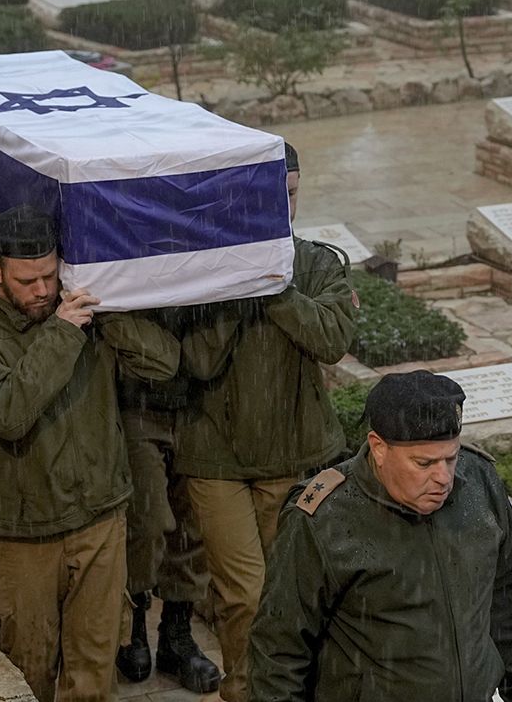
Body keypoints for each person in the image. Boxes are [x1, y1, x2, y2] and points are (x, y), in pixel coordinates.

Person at [0, 205, 183, 701]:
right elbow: (9, 413)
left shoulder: (85, 313)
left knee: (94, 673)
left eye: (50, 277)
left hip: (99, 519)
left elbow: (163, 364)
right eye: (28, 280)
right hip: (24, 534)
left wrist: (111, 309)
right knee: (25, 671)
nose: (41, 291)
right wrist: (61, 330)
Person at [175, 142, 358, 702]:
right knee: (243, 596)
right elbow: (198, 360)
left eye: (293, 195)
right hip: (217, 458)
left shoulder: (320, 263)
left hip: (296, 454)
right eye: (270, 198)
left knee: (294, 594)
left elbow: (331, 340)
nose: (283, 209)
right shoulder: (206, 263)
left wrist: (275, 285)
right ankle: (244, 692)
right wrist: (240, 276)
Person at [247, 370, 512, 702]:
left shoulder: (480, 482)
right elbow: (279, 649)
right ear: (379, 448)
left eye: (451, 457)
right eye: (424, 463)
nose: (443, 477)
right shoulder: (323, 518)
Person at [115, 311, 223, 695]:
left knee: (192, 522)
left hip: (200, 398)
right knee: (147, 520)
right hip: (137, 399)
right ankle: (134, 625)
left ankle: (176, 635)